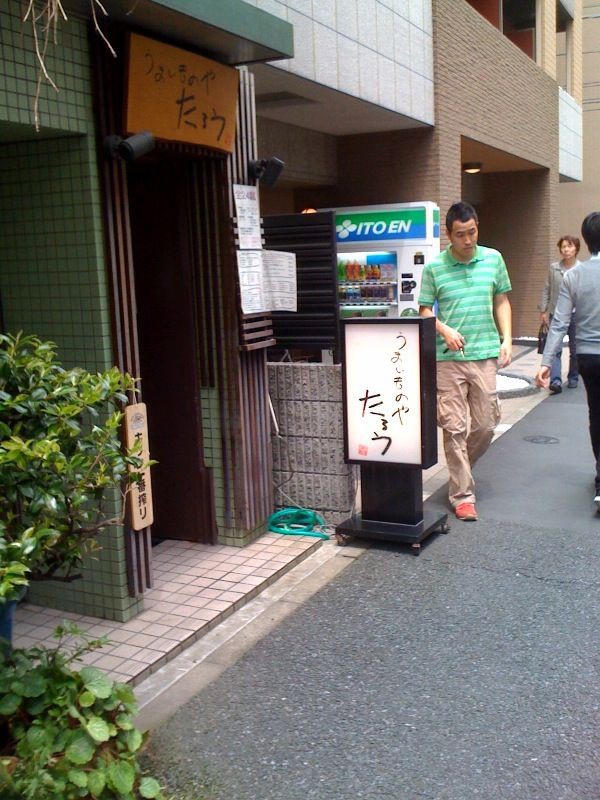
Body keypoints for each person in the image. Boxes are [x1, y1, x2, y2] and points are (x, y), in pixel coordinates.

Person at [418, 201, 512, 521]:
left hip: (484, 352)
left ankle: (461, 471)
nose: (468, 240)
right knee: (454, 427)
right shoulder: (434, 268)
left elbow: (501, 299)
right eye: (460, 235)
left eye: (472, 232)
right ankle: (462, 495)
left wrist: (508, 339)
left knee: (486, 424)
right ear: (449, 235)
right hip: (448, 358)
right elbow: (425, 310)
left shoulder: (493, 259)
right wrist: (443, 329)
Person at [535, 212, 600, 512]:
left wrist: (547, 361)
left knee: (596, 414)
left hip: (587, 357)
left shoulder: (574, 275)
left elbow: (559, 322)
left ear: (584, 242)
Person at [538, 235, 581, 394]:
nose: (565, 250)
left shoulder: (580, 269)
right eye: (563, 247)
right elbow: (546, 289)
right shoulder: (554, 268)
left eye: (569, 246)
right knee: (554, 347)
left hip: (576, 314)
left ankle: (573, 377)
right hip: (556, 313)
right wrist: (543, 310)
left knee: (575, 349)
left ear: (576, 248)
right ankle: (555, 380)